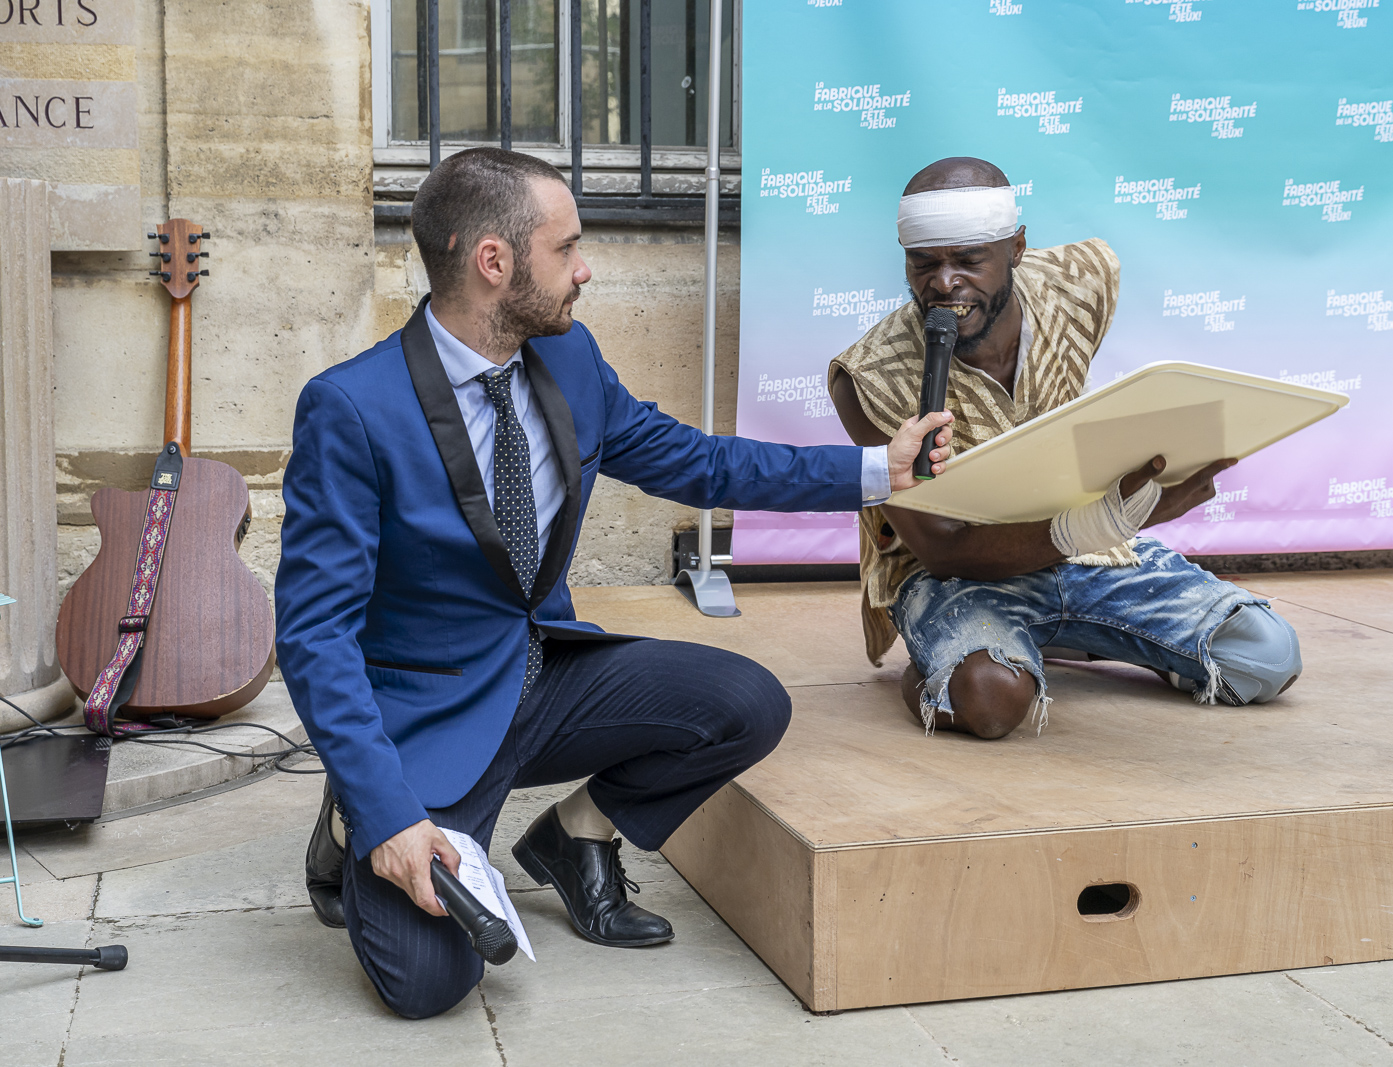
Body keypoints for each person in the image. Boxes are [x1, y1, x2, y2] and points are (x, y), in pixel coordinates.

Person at [275, 147, 952, 1018]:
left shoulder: (570, 360)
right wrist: (388, 816)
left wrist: (876, 470)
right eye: (567, 249)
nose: (585, 269)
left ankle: (575, 835)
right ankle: (347, 816)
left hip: (544, 674)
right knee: (429, 984)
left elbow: (698, 461)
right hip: (431, 716)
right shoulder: (353, 408)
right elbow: (314, 635)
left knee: (747, 701)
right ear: (494, 261)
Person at [829, 156, 1302, 742]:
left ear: (1018, 248)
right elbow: (945, 552)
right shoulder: (868, 378)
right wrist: (1113, 519)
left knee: (1265, 655)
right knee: (991, 701)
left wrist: (1127, 502)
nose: (944, 284)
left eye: (970, 261)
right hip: (952, 577)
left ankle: (1066, 632)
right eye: (924, 264)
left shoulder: (1082, 281)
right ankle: (938, 672)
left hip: (1087, 554)